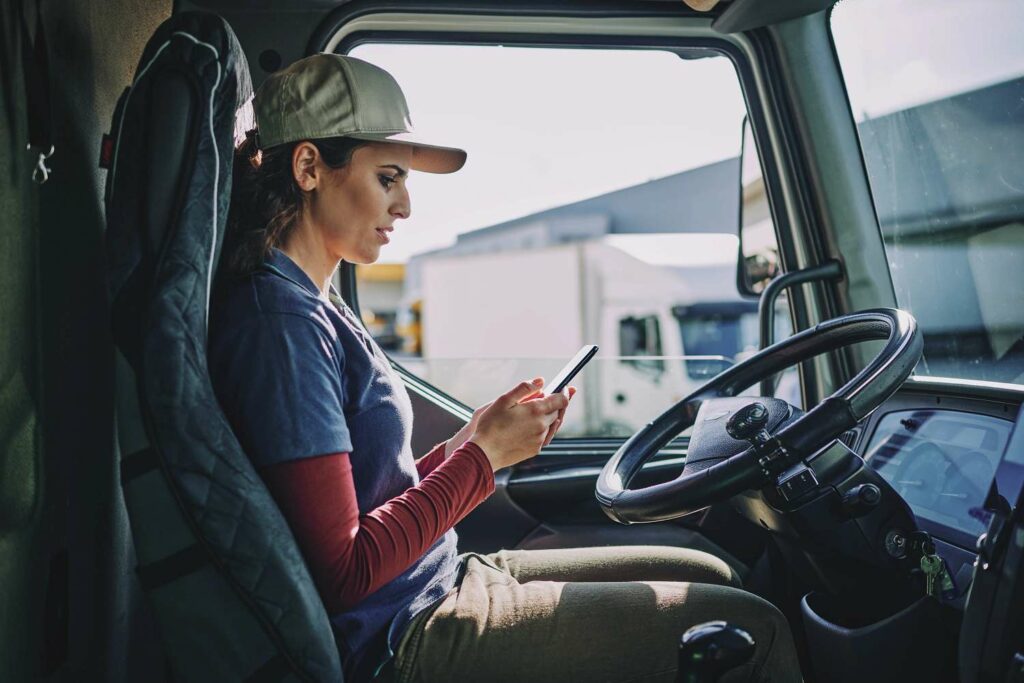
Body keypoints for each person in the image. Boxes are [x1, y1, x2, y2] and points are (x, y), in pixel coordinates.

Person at [208, 53, 801, 683]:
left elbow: (374, 492)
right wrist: (483, 458)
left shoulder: (313, 303)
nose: (405, 206)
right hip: (402, 634)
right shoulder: (282, 326)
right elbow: (345, 569)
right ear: (308, 167)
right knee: (755, 632)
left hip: (435, 581)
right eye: (388, 179)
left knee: (709, 574)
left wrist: (472, 440)